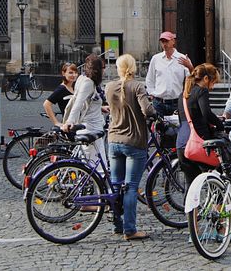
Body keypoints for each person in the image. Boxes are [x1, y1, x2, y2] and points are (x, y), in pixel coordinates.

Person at [105, 54, 156, 240]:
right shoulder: (137, 86)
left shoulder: (109, 87)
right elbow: (147, 110)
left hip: (113, 140)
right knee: (131, 187)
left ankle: (117, 226)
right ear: (134, 68)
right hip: (134, 141)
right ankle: (130, 229)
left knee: (116, 185)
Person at [176, 63, 225, 188]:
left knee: (191, 186)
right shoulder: (201, 91)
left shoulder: (184, 94)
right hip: (199, 144)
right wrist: (220, 125)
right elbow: (207, 113)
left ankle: (192, 208)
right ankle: (219, 207)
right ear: (206, 79)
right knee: (217, 179)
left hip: (182, 144)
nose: (212, 87)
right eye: (213, 82)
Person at [62, 54, 108, 169]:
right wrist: (69, 121)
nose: (104, 70)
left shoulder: (83, 79)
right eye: (102, 67)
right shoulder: (88, 83)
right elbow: (78, 102)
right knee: (100, 169)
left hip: (90, 126)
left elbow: (87, 102)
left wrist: (101, 108)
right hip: (91, 128)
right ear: (97, 70)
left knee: (89, 166)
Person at [145, 31, 194, 116]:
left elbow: (192, 79)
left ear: (173, 41)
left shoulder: (182, 58)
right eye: (162, 41)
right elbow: (150, 79)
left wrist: (190, 67)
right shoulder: (156, 59)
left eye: (166, 41)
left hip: (176, 102)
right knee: (159, 127)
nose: (164, 44)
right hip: (159, 102)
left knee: (178, 127)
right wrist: (152, 93)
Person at [43, 62, 78, 127]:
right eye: (70, 73)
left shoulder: (75, 87)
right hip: (68, 125)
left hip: (77, 122)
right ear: (63, 73)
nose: (74, 75)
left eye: (75, 72)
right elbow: (46, 104)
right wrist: (56, 122)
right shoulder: (61, 89)